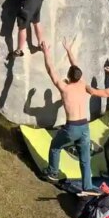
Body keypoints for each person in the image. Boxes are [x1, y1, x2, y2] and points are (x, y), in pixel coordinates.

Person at [40, 39, 96, 192]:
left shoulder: (65, 88)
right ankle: (88, 186)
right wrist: (69, 50)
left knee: (55, 146)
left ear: (69, 76)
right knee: (85, 160)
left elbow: (51, 70)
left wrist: (46, 52)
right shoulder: (83, 83)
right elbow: (75, 65)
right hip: (85, 126)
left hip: (72, 128)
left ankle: (52, 172)